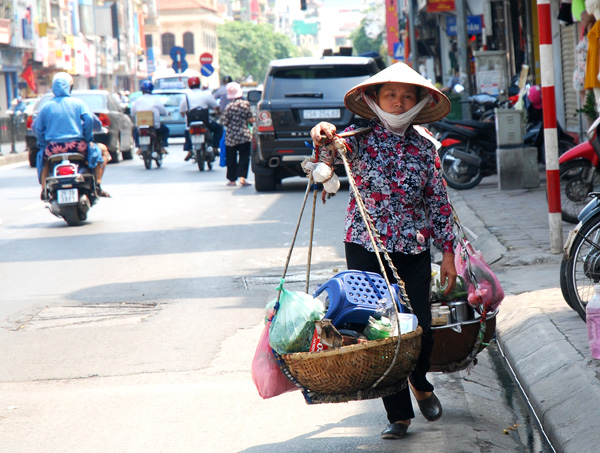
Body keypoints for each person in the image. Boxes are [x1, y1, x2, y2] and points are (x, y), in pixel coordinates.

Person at [310, 62, 457, 440]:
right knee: (382, 329)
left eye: (407, 95)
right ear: (373, 99)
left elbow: (439, 203)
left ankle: (420, 381)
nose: (398, 101)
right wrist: (321, 136)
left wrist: (449, 254)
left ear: (419, 102)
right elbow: (326, 156)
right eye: (390, 94)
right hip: (365, 245)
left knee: (419, 325)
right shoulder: (355, 139)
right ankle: (399, 415)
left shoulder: (425, 146)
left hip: (413, 245)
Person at [35, 72, 110, 199]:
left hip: (53, 149)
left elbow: (37, 128)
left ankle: (43, 190)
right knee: (101, 152)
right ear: (70, 87)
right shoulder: (78, 103)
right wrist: (87, 139)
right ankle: (97, 184)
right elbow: (90, 120)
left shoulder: (46, 107)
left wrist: (44, 145)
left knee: (44, 158)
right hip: (77, 146)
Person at [179, 76, 222, 161]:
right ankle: (215, 147)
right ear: (199, 84)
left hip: (190, 122)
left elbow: (182, 111)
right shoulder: (206, 95)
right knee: (219, 128)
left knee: (187, 131)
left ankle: (189, 150)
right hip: (205, 122)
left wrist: (184, 114)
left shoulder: (186, 97)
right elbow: (216, 106)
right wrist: (218, 112)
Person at [221, 82, 254, 186]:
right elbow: (250, 119)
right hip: (244, 136)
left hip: (231, 138)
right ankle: (242, 179)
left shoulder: (229, 107)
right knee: (244, 157)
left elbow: (224, 122)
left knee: (231, 158)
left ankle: (232, 180)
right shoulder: (246, 105)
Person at [130, 80, 169, 154]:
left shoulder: (138, 100)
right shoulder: (155, 99)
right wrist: (165, 114)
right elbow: (163, 111)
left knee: (135, 131)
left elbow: (132, 112)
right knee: (165, 130)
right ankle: (162, 147)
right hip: (155, 126)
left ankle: (139, 147)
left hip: (141, 125)